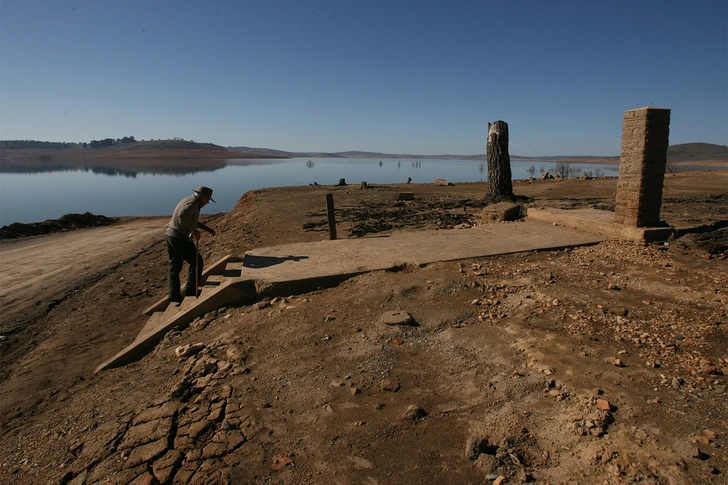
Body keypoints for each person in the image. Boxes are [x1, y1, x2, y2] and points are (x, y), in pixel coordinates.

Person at [165, 186, 217, 303]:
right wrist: (194, 231)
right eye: (207, 199)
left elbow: (190, 219)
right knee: (197, 262)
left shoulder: (189, 200)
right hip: (179, 237)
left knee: (174, 266)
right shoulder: (193, 204)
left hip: (170, 235)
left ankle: (173, 296)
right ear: (202, 197)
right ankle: (190, 291)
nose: (207, 202)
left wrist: (207, 229)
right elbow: (183, 215)